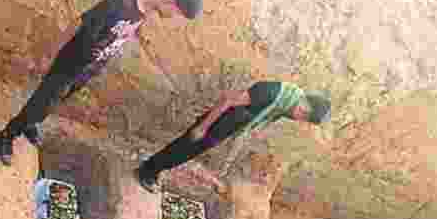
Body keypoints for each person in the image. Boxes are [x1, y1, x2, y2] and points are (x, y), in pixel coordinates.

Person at [0, 0, 203, 165]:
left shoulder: (147, 8)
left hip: (88, 68)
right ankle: (8, 133)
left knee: (55, 100)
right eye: (177, 13)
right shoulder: (120, 2)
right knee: (43, 100)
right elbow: (78, 24)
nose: (174, 18)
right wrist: (49, 56)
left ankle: (31, 123)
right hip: (71, 64)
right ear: (171, 2)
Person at [135, 81, 331, 193]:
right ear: (305, 102)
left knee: (186, 153)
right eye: (304, 114)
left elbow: (258, 118)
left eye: (304, 119)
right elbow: (228, 100)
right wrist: (203, 126)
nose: (299, 118)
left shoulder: (285, 104)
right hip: (216, 122)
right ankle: (147, 172)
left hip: (226, 127)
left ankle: (153, 168)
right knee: (184, 147)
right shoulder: (271, 93)